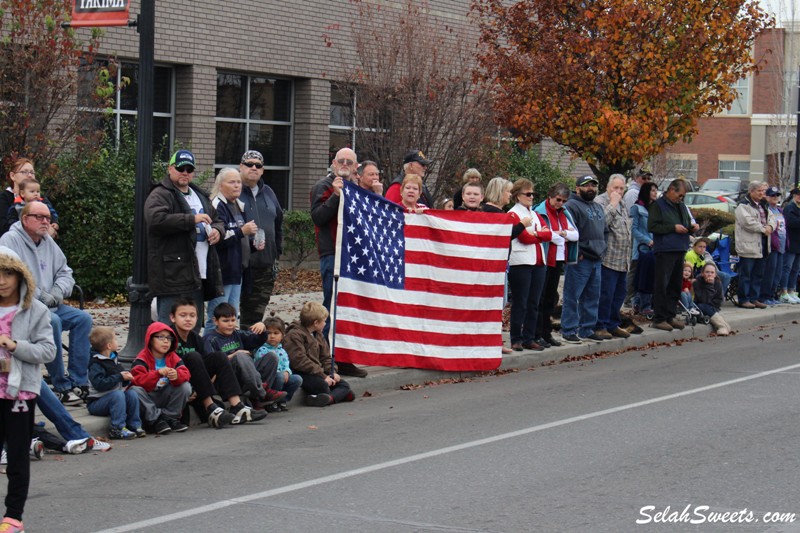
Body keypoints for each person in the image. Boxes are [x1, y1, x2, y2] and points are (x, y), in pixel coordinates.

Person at [0, 201, 93, 404]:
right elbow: (10, 279)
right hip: (25, 306)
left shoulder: (48, 241)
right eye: (39, 217)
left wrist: (58, 291)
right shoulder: (9, 240)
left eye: (48, 218)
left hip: (53, 303)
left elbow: (65, 272)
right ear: (25, 219)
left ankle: (78, 380)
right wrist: (39, 295)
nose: (45, 222)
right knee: (52, 322)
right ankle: (61, 385)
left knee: (83, 318)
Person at [0, 246, 55, 533]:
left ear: (20, 275)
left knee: (18, 456)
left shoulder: (36, 310)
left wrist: (15, 346)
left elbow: (48, 351)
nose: (2, 280)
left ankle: (13, 516)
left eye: (8, 273)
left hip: (19, 393)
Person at [144, 149, 224, 329]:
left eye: (189, 169)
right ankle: (168, 358)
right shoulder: (161, 193)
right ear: (170, 169)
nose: (185, 173)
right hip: (174, 273)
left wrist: (218, 231)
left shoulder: (199, 194)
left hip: (198, 272)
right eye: (181, 168)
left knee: (193, 327)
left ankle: (190, 358)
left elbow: (218, 219)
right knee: (169, 327)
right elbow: (155, 220)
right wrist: (191, 219)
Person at [309, 147, 367, 378]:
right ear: (333, 163)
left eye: (349, 161)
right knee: (330, 309)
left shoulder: (356, 189)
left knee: (347, 310)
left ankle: (344, 358)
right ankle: (326, 360)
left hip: (353, 258)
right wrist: (335, 195)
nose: (344, 164)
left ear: (356, 167)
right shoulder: (323, 186)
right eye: (340, 160)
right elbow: (318, 217)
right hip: (332, 255)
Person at [169, 298, 264, 427]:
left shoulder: (195, 338)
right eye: (182, 315)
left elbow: (206, 368)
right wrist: (191, 388)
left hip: (197, 385)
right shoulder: (168, 337)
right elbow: (166, 364)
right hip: (178, 382)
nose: (188, 319)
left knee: (219, 356)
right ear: (172, 318)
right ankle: (210, 407)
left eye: (192, 315)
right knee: (193, 356)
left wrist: (199, 388)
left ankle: (237, 406)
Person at [203, 303, 286, 409]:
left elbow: (256, 341)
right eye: (226, 321)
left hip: (247, 378)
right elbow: (211, 364)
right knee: (240, 356)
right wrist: (234, 355)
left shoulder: (237, 334)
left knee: (272, 357)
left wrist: (263, 330)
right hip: (225, 381)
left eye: (233, 320)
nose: (230, 324)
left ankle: (256, 398)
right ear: (215, 321)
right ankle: (262, 394)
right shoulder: (210, 339)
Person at [205, 168, 259, 331]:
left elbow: (238, 238)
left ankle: (228, 351)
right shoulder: (216, 205)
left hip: (237, 271)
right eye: (232, 182)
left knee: (231, 317)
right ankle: (210, 352)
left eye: (238, 182)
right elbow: (217, 239)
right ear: (220, 186)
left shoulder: (237, 205)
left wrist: (252, 245)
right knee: (216, 317)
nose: (237, 186)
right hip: (222, 272)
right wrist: (242, 232)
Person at [238, 150, 283, 329]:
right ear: (241, 167)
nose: (254, 168)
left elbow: (279, 222)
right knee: (228, 315)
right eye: (249, 164)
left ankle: (251, 353)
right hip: (239, 265)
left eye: (258, 165)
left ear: (263, 170)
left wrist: (277, 251)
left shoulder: (269, 193)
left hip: (264, 266)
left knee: (254, 318)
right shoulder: (233, 190)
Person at [560, 175, 607, 344]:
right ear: (577, 188)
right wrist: (576, 251)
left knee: (592, 296)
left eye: (594, 185)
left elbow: (605, 231)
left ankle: (587, 329)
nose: (591, 189)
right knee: (573, 295)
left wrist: (603, 248)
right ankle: (569, 329)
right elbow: (567, 230)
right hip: (580, 259)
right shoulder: (571, 206)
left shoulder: (598, 207)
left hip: (597, 258)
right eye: (587, 186)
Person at [507, 179, 552, 351]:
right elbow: (524, 238)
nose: (531, 197)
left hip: (539, 261)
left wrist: (537, 234)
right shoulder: (513, 214)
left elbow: (548, 234)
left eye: (533, 193)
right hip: (521, 262)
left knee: (534, 302)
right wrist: (539, 234)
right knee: (521, 302)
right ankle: (516, 338)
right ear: (518, 195)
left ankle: (529, 337)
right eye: (528, 194)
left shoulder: (535, 214)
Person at [648, 179, 698, 331]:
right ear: (671, 190)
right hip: (665, 249)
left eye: (683, 196)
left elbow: (686, 222)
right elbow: (653, 226)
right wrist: (672, 228)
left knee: (675, 285)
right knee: (662, 284)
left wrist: (691, 228)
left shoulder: (681, 206)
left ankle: (670, 315)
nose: (681, 198)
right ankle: (659, 317)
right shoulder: (658, 205)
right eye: (680, 195)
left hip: (680, 248)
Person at [284, 302, 355, 407]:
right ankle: (336, 396)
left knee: (344, 384)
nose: (325, 324)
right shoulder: (294, 335)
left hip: (317, 371)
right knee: (323, 386)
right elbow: (299, 361)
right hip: (302, 372)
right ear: (316, 323)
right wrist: (322, 376)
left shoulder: (318, 334)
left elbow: (325, 357)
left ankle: (328, 398)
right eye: (324, 321)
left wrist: (332, 371)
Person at [534, 183, 579, 347]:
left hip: (558, 259)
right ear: (550, 196)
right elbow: (546, 235)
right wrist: (560, 236)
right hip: (545, 258)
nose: (560, 203)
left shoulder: (564, 212)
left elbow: (576, 234)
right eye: (558, 200)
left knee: (550, 300)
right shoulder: (540, 211)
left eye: (563, 201)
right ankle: (536, 333)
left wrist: (564, 234)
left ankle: (546, 334)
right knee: (539, 299)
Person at [130, 323, 192, 435]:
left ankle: (170, 418)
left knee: (185, 386)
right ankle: (156, 420)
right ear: (150, 339)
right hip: (149, 396)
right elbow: (137, 380)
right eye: (161, 337)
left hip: (165, 395)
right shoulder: (142, 358)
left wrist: (177, 375)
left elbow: (186, 373)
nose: (166, 341)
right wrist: (157, 373)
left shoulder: (173, 357)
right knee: (134, 390)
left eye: (169, 338)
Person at [482, 177, 520, 354]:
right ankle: (493, 341)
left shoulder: (498, 212)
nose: (509, 195)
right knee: (496, 304)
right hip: (494, 265)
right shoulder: (492, 213)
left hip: (502, 263)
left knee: (500, 303)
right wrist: (521, 226)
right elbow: (504, 235)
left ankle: (495, 340)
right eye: (507, 191)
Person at [86, 327, 143, 440]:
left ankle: (134, 425)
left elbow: (120, 377)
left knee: (132, 393)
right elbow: (100, 384)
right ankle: (117, 428)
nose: (117, 342)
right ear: (109, 345)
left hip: (113, 399)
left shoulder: (113, 358)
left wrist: (126, 378)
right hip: (97, 403)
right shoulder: (96, 363)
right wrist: (119, 377)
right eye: (115, 339)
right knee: (117, 395)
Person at [595, 174, 632, 339]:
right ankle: (600, 325)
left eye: (621, 188)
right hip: (608, 258)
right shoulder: (600, 202)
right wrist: (613, 203)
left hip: (623, 259)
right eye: (615, 188)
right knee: (605, 294)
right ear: (607, 188)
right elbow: (600, 224)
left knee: (619, 295)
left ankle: (613, 324)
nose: (618, 191)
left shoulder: (624, 204)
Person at [734, 181, 774, 309]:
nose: (762, 193)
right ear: (751, 191)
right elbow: (747, 222)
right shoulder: (743, 205)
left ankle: (754, 298)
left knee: (758, 274)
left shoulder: (764, 205)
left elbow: (773, 218)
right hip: (748, 244)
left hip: (762, 243)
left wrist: (770, 226)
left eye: (763, 191)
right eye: (759, 191)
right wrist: (763, 229)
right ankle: (744, 299)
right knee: (746, 274)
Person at [0, 158, 59, 238]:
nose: (30, 175)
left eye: (32, 172)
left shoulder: (40, 198)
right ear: (12, 176)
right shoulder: (4, 198)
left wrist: (53, 226)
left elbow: (51, 216)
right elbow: (4, 228)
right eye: (24, 172)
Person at [253, 316, 302, 411]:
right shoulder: (262, 349)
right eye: (269, 333)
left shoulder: (282, 350)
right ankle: (271, 402)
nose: (272, 336)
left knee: (297, 379)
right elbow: (266, 367)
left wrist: (287, 371)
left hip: (282, 376)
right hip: (269, 378)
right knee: (279, 377)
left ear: (282, 335)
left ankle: (282, 400)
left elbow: (286, 363)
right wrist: (281, 373)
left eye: (276, 333)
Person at [630, 182, 657, 315]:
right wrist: (648, 241)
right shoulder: (637, 208)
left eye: (656, 190)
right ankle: (639, 304)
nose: (655, 193)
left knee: (650, 277)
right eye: (652, 190)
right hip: (642, 249)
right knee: (641, 277)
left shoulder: (655, 209)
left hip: (655, 250)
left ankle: (645, 304)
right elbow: (633, 229)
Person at [759, 186, 785, 305]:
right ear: (767, 197)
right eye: (772, 195)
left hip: (782, 246)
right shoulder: (766, 209)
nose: (775, 198)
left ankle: (773, 295)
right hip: (772, 246)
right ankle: (765, 296)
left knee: (778, 273)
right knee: (770, 272)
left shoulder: (780, 210)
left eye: (777, 195)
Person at [693, 263, 731, 335]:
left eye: (712, 272)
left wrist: (711, 305)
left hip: (713, 306)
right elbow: (703, 300)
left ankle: (722, 326)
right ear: (702, 273)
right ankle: (723, 326)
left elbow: (720, 300)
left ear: (715, 274)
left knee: (706, 308)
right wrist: (709, 285)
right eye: (707, 272)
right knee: (702, 306)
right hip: (700, 305)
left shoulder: (717, 282)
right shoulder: (697, 282)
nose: (709, 274)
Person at [780, 188, 800, 304]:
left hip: (798, 244)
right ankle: (784, 292)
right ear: (794, 195)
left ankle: (792, 291)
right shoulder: (789, 208)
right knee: (787, 268)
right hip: (790, 243)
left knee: (796, 269)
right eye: (797, 194)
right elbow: (791, 222)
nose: (799, 197)